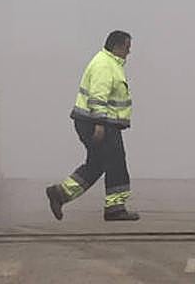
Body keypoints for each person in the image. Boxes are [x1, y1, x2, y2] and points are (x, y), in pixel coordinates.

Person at [46, 30, 139, 221]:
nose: (129, 52)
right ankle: (115, 208)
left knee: (96, 164)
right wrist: (99, 123)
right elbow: (98, 96)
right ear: (117, 46)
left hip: (98, 122)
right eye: (127, 48)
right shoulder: (105, 65)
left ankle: (60, 193)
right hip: (98, 123)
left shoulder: (110, 63)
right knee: (115, 162)